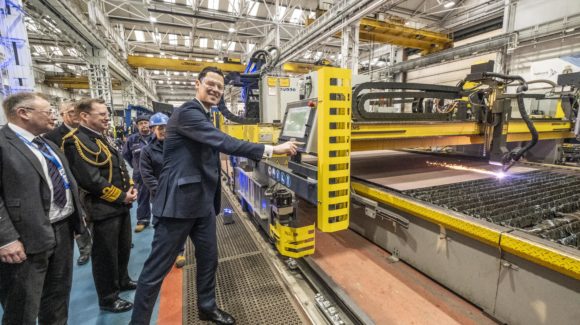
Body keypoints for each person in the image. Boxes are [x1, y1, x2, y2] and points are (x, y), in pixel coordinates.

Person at [130, 67, 298, 325]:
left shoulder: (204, 115)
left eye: (220, 86)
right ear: (197, 84)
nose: (216, 90)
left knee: (208, 259)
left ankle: (206, 308)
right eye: (211, 84)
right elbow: (224, 142)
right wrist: (273, 149)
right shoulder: (188, 112)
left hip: (203, 204)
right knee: (155, 271)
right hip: (178, 205)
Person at [0, 92, 85, 324]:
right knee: (22, 306)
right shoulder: (3, 144)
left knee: (57, 297)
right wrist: (6, 239)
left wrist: (76, 221)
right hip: (24, 238)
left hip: (62, 229)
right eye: (47, 112)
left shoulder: (47, 144)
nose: (53, 117)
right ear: (23, 113)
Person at [62, 98, 138, 313]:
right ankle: (108, 297)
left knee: (122, 247)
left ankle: (123, 280)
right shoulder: (75, 141)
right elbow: (90, 180)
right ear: (85, 116)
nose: (107, 118)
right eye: (101, 114)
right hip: (102, 207)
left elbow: (121, 166)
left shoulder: (101, 138)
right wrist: (121, 196)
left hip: (120, 204)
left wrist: (130, 188)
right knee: (105, 254)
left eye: (107, 113)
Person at [44, 101, 93, 266]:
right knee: (77, 218)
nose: (76, 115)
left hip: (90, 183)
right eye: (71, 112)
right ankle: (85, 249)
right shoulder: (52, 136)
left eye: (77, 112)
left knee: (94, 216)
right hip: (68, 186)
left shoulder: (88, 132)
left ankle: (103, 242)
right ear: (62, 114)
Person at [139, 112, 186, 268]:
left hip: (178, 193)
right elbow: (147, 175)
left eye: (166, 127)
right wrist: (162, 191)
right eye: (159, 128)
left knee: (179, 223)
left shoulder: (177, 146)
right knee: (161, 225)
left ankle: (179, 251)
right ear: (153, 129)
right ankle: (163, 255)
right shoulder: (147, 151)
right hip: (159, 195)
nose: (163, 130)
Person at [123, 114, 153, 233]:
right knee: (142, 197)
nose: (144, 125)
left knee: (160, 196)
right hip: (140, 175)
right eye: (141, 123)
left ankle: (160, 219)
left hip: (156, 174)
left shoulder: (156, 137)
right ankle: (143, 220)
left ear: (150, 124)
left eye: (146, 122)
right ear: (137, 126)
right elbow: (126, 155)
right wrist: (136, 166)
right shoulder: (132, 139)